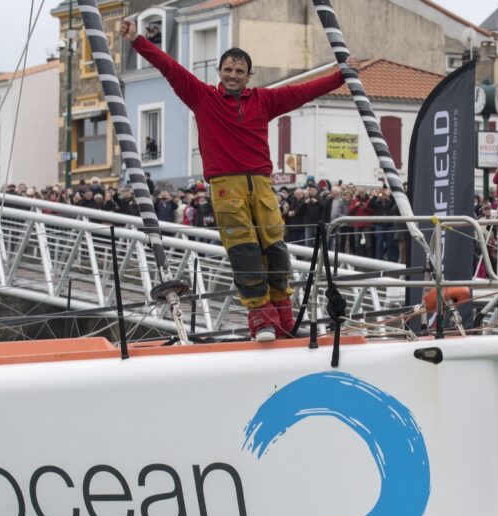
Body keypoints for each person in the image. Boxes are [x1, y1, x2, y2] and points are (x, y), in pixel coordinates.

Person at [120, 18, 348, 341]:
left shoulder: (263, 101)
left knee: (276, 248)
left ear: (248, 76)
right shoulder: (203, 98)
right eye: (228, 70)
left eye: (239, 72)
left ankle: (283, 316)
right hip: (227, 187)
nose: (233, 76)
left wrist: (341, 76)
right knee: (244, 251)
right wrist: (137, 41)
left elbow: (302, 92)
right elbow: (170, 69)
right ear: (219, 72)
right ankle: (261, 319)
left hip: (261, 184)